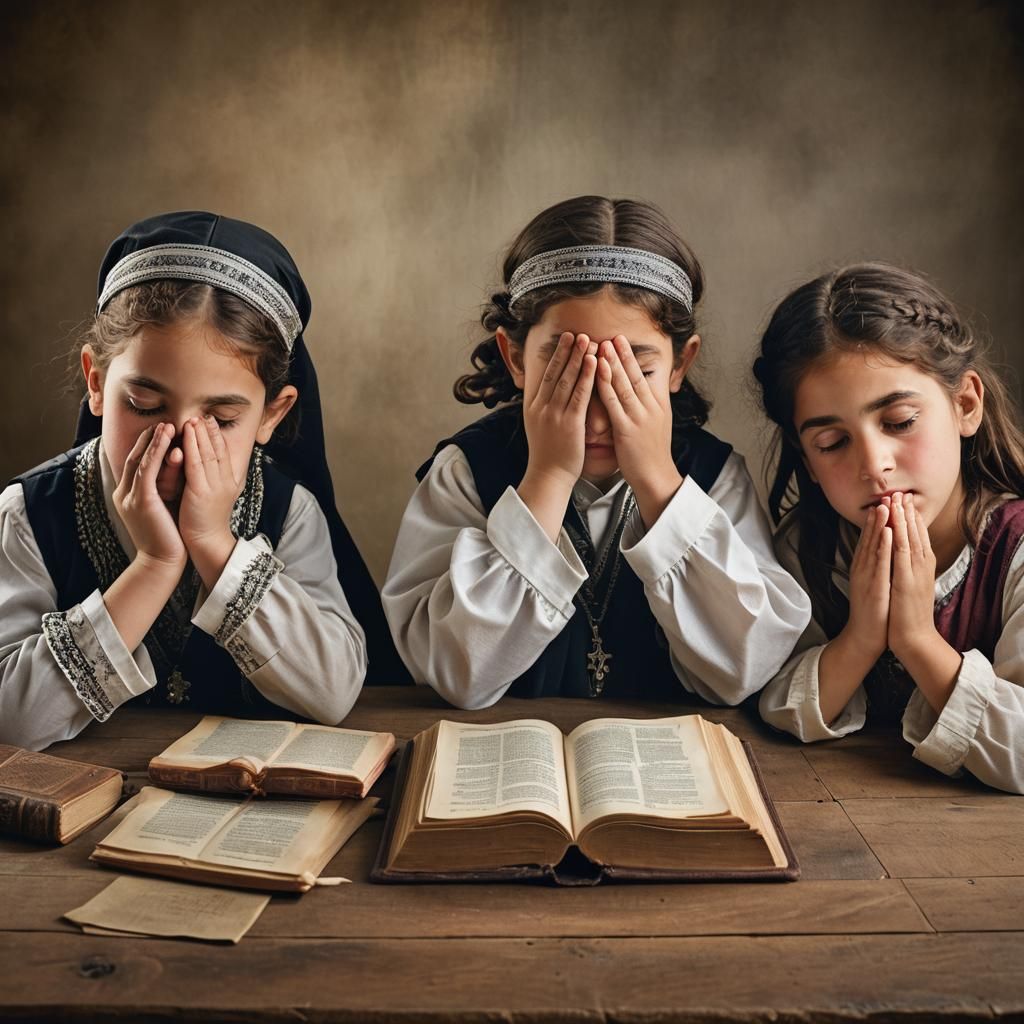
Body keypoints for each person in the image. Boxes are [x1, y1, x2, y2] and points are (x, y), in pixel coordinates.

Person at [383, 195, 810, 708]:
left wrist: (657, 481)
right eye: (569, 370)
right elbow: (456, 673)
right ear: (515, 358)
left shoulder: (716, 477)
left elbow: (747, 669)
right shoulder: (465, 473)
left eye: (636, 373)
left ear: (680, 364)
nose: (599, 412)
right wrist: (547, 476)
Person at [0, 211, 399, 751]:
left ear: (270, 417)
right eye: (143, 404)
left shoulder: (290, 511)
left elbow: (332, 693)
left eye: (222, 420)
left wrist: (216, 546)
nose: (180, 442)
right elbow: (10, 725)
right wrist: (155, 566)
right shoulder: (28, 514)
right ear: (96, 383)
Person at [754, 262, 1024, 793]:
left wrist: (917, 638)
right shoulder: (808, 548)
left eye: (899, 422)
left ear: (965, 405)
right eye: (832, 443)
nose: (873, 463)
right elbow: (772, 702)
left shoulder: (1014, 549)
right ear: (808, 460)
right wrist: (860, 637)